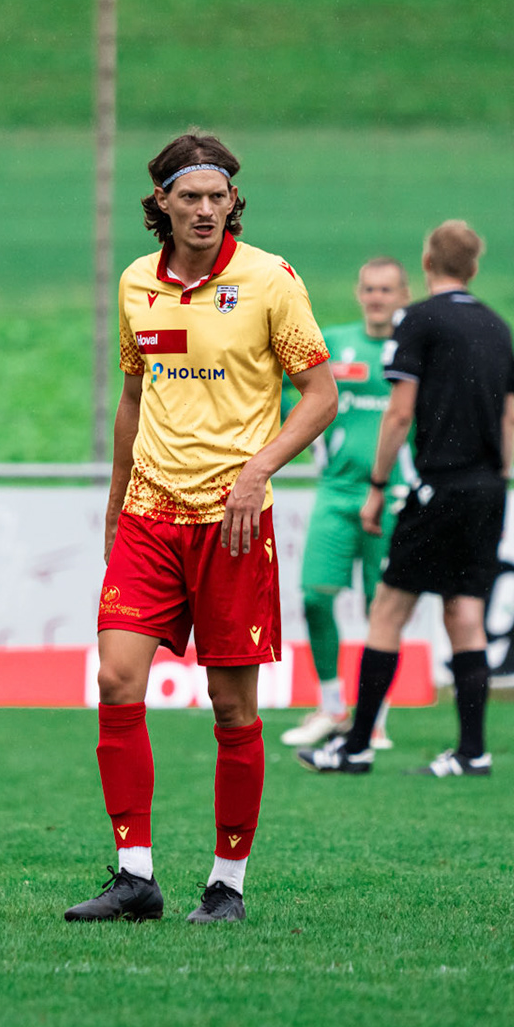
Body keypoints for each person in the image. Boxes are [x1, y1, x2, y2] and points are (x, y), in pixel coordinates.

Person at [66, 130, 337, 924]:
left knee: (232, 710)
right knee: (117, 679)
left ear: (233, 203)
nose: (207, 210)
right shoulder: (135, 285)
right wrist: (117, 502)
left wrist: (260, 471)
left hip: (233, 525)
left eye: (219, 197)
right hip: (150, 516)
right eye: (192, 197)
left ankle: (227, 884)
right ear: (162, 205)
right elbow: (132, 398)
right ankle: (134, 875)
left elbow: (318, 395)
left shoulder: (269, 282)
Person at [298, 220, 514, 778]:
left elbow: (399, 412)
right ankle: (472, 752)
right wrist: (496, 482)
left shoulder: (419, 320)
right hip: (489, 488)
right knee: (465, 614)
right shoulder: (498, 326)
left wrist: (377, 488)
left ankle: (356, 746)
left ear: (426, 264)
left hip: (435, 486)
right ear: (474, 267)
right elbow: (510, 415)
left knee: (388, 612)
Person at [279, 257, 414, 751]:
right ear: (359, 293)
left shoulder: (416, 349)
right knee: (315, 597)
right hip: (336, 494)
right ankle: (333, 705)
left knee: (384, 610)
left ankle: (374, 715)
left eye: (387, 289)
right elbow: (289, 402)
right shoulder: (333, 344)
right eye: (370, 289)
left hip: (395, 498)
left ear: (404, 295)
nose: (377, 297)